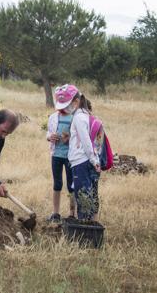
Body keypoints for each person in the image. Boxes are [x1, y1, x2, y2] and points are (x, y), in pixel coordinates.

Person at [63, 85, 101, 221]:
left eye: (68, 104)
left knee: (83, 196)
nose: (66, 108)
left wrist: (92, 159)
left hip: (82, 162)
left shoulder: (79, 117)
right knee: (92, 194)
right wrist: (95, 160)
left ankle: (84, 228)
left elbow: (86, 141)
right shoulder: (88, 115)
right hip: (90, 161)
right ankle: (94, 225)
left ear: (76, 101)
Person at [46, 85, 77, 222]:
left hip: (70, 156)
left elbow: (78, 137)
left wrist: (69, 138)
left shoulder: (75, 118)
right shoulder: (53, 117)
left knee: (71, 185)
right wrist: (50, 137)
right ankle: (56, 213)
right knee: (57, 183)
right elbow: (49, 131)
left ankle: (72, 214)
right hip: (56, 155)